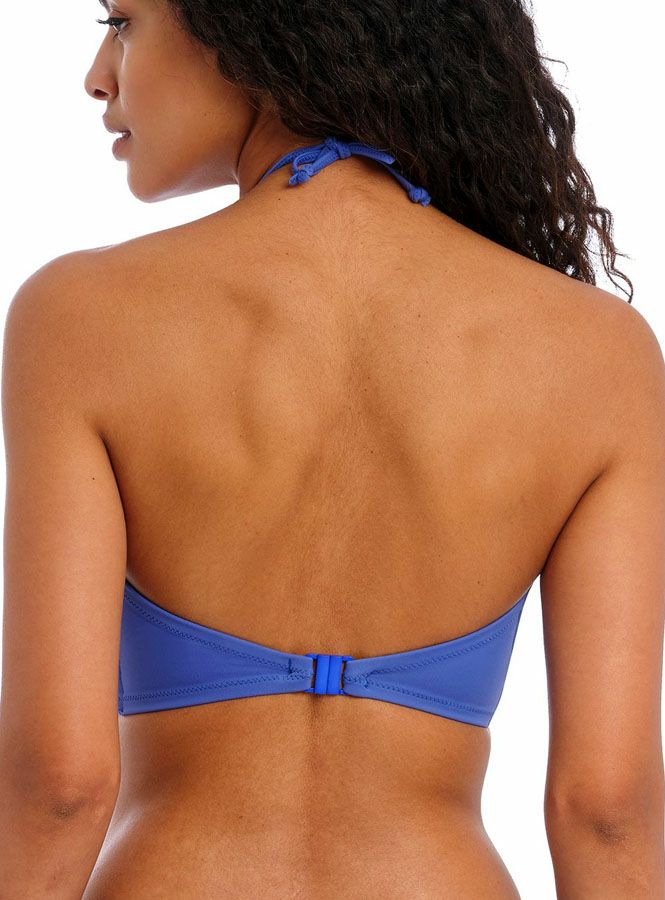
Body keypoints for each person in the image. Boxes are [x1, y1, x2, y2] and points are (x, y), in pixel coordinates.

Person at [1, 0, 663, 896]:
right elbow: (607, 809)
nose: (98, 78)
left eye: (121, 22)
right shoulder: (598, 354)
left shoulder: (81, 319)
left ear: (251, 28)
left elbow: (59, 787)